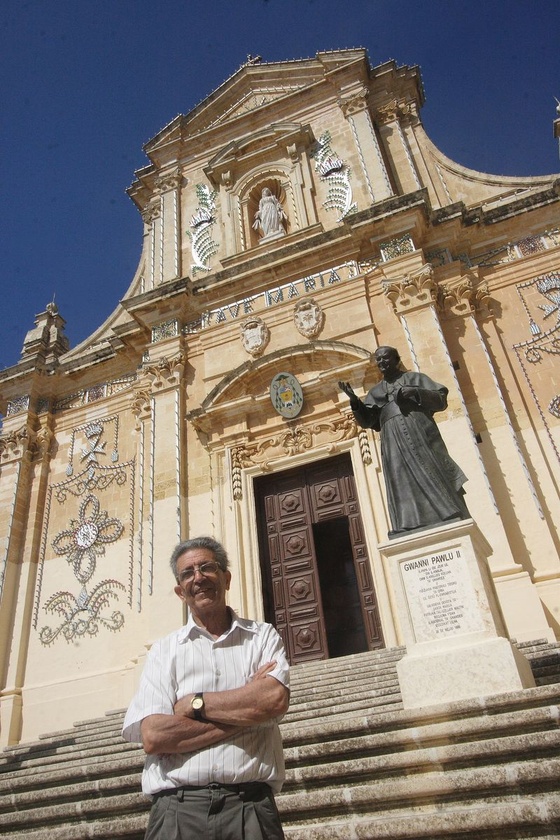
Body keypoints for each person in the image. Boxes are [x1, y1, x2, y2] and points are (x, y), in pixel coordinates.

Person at [122, 536, 290, 840]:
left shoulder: (262, 637)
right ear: (179, 591)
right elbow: (155, 735)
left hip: (250, 806)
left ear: (226, 578)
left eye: (207, 567)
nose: (198, 578)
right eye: (188, 573)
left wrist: (193, 705)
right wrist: (249, 714)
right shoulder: (164, 651)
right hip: (177, 811)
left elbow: (273, 699)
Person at [339, 346, 469, 539]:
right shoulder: (376, 391)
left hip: (418, 431)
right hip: (392, 440)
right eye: (378, 360)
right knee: (400, 480)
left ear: (397, 359)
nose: (382, 363)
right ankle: (407, 523)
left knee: (432, 469)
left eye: (386, 358)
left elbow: (441, 400)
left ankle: (447, 512)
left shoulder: (415, 378)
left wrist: (415, 392)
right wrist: (355, 402)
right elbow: (367, 421)